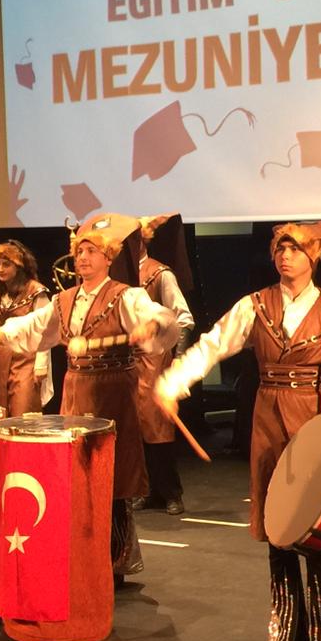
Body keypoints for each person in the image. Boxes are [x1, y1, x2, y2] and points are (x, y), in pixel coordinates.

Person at [155, 222, 321, 641]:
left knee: (318, 537)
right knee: (279, 537)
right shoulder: (255, 305)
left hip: (316, 426)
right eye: (279, 249)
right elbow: (213, 344)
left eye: (295, 249)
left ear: (313, 257)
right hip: (268, 423)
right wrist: (174, 381)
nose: (285, 256)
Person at [0, 214, 176, 584]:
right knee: (77, 476)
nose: (83, 258)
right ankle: (83, 558)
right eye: (79, 252)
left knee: (111, 479)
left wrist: (153, 325)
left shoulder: (126, 295)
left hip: (113, 393)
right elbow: (35, 326)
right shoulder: (64, 300)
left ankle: (113, 563)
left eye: (91, 251)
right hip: (76, 390)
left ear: (108, 258)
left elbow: (160, 318)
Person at [133, 214, 195, 516]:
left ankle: (171, 492)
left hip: (155, 358)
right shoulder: (118, 277)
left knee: (158, 428)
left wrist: (177, 360)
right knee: (135, 429)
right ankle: (147, 490)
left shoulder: (159, 274)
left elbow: (183, 318)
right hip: (126, 363)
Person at [0, 240, 53, 415]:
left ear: (19, 266)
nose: (0, 269)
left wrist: (41, 364)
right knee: (0, 414)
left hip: (25, 360)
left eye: (6, 265)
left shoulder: (35, 291)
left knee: (24, 411)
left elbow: (45, 327)